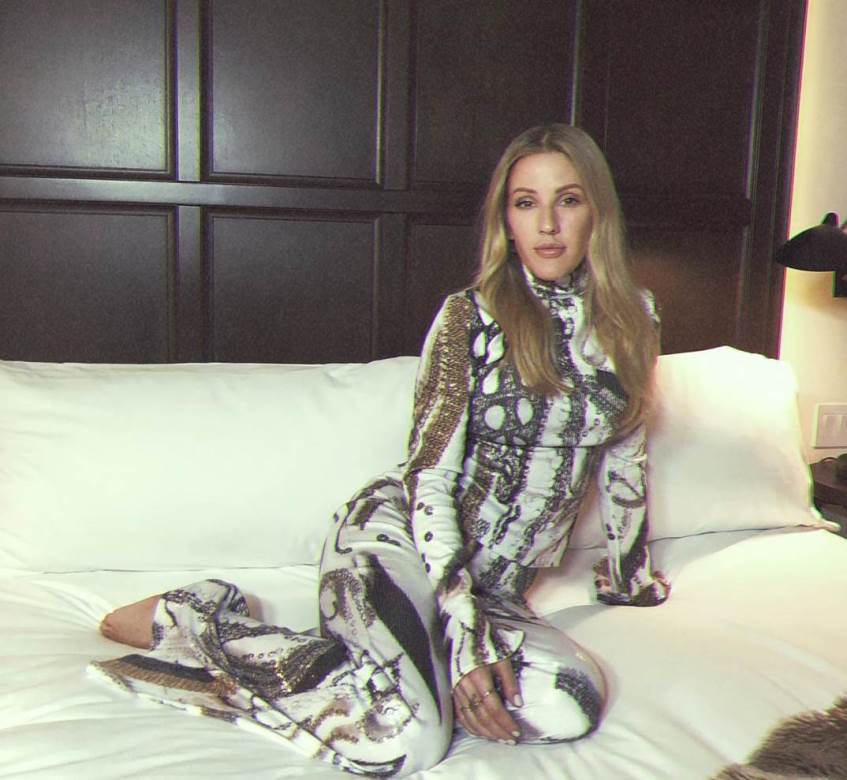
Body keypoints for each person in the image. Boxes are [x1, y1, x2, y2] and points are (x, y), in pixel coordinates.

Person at [92, 123, 670, 777]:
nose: (546, 225)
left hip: (496, 593)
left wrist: (630, 581)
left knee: (569, 705)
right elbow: (430, 476)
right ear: (505, 221)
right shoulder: (470, 316)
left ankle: (394, 666)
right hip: (400, 543)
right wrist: (464, 637)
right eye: (525, 202)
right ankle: (195, 622)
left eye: (567, 200)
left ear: (597, 212)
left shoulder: (635, 318)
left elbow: (625, 458)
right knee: (410, 740)